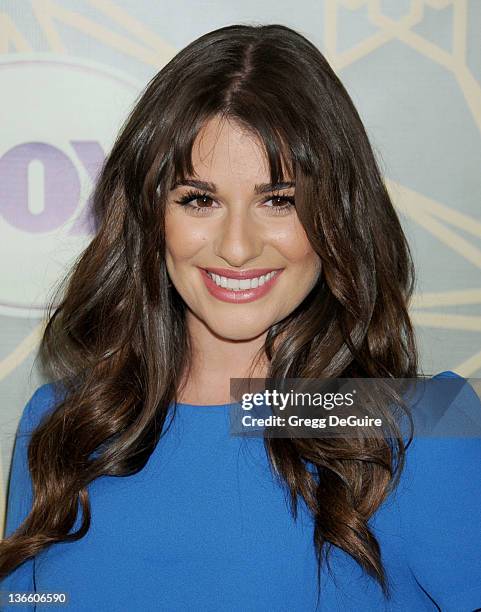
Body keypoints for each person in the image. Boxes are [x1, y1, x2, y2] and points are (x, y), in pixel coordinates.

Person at [1, 23, 481, 612]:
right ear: (152, 215)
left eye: (279, 200)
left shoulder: (421, 427)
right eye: (199, 199)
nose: (236, 246)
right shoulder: (62, 424)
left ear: (337, 215)